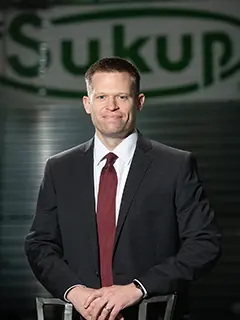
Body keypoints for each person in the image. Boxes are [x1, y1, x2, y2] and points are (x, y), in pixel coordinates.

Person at [25, 57, 221, 320]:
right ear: (87, 104)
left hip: (153, 312)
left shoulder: (175, 165)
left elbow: (204, 244)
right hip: (83, 314)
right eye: (102, 97)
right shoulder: (59, 168)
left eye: (122, 97)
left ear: (139, 101)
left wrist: (138, 289)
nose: (112, 107)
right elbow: (40, 244)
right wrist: (75, 292)